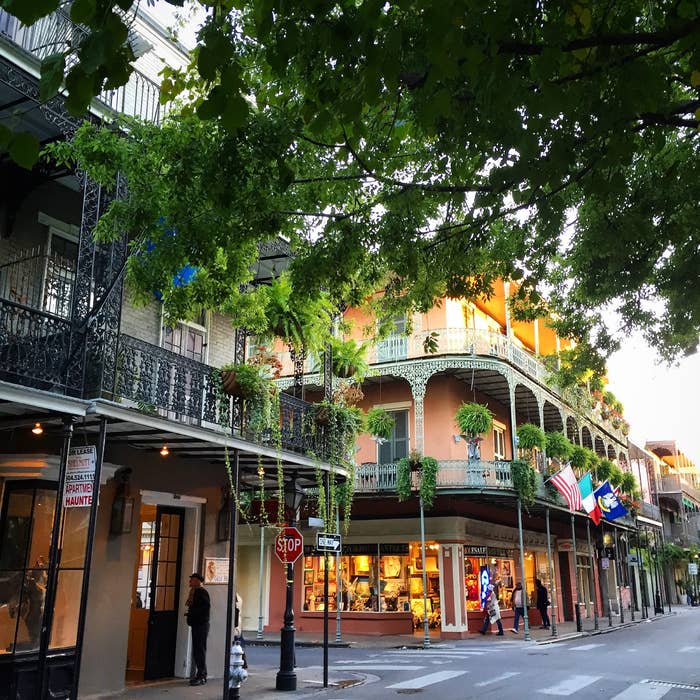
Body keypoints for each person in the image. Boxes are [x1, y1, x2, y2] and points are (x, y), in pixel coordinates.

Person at [186, 572, 210, 686]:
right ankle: (200, 674)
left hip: (200, 625)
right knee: (197, 650)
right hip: (197, 624)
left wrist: (194, 614)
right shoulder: (194, 592)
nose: (190, 582)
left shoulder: (201, 592)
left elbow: (204, 609)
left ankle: (202, 675)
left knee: (199, 650)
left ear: (197, 581)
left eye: (192, 580)